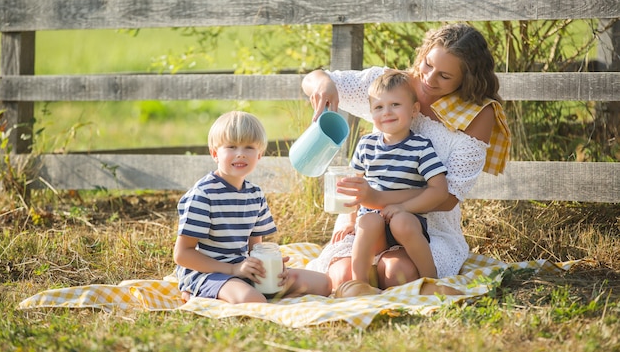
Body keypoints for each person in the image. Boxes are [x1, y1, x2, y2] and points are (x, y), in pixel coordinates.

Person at [303, 23, 511, 294]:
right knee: (342, 278)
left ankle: (418, 284)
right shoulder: (394, 85)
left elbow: (447, 198)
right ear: (423, 53)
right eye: (427, 64)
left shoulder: (476, 115)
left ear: (466, 79)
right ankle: (363, 286)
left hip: (425, 225)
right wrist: (324, 84)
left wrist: (376, 197)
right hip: (367, 218)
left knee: (396, 275)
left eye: (445, 76)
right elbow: (316, 78)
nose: (429, 79)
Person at [174, 111, 332, 304]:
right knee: (252, 299)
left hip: (243, 270)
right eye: (231, 146)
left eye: (248, 147)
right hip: (207, 272)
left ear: (259, 155)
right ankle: (198, 292)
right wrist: (232, 270)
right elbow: (182, 254)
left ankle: (252, 292)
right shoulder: (203, 194)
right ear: (215, 153)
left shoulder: (255, 194)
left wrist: (270, 267)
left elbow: (255, 248)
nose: (240, 153)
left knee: (323, 283)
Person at [346, 70, 449, 287]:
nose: (387, 112)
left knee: (401, 222)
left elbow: (439, 191)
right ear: (371, 112)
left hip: (406, 225)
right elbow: (354, 187)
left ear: (414, 110)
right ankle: (359, 285)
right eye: (379, 107)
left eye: (395, 104)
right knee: (368, 221)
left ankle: (431, 282)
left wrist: (403, 207)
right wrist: (350, 220)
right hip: (373, 225)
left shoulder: (421, 147)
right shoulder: (366, 144)